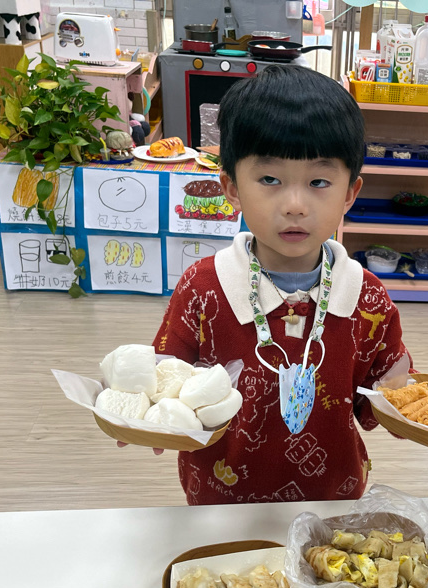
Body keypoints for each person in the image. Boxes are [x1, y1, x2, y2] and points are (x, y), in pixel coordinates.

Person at [151, 65, 410, 505]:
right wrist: (145, 413)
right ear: (231, 188)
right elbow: (165, 381)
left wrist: (410, 405)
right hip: (219, 501)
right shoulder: (202, 288)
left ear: (350, 192)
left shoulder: (366, 296)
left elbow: (381, 399)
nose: (294, 205)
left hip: (331, 500)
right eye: (269, 179)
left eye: (319, 182)